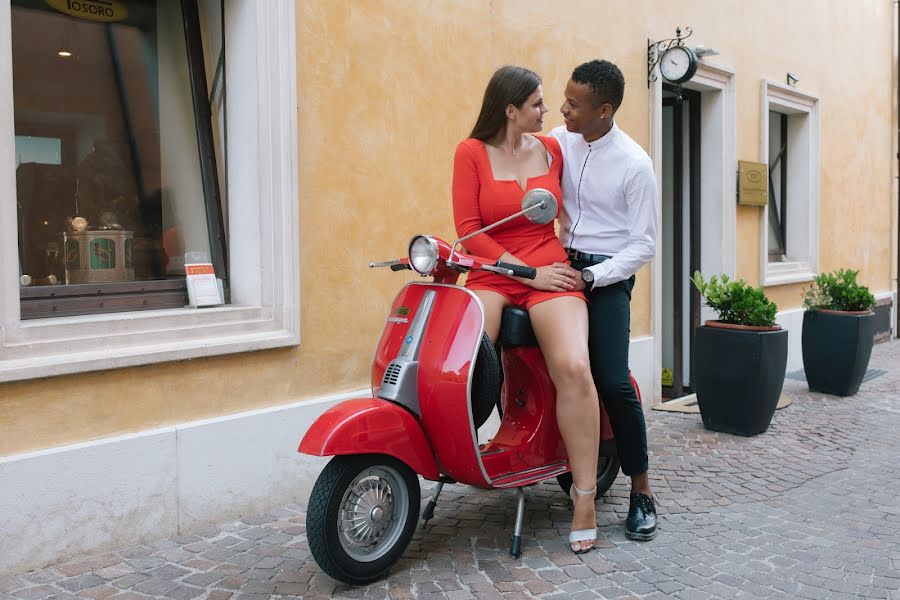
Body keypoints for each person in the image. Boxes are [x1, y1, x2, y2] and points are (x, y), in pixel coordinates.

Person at [452, 65, 600, 553]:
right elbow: (471, 232)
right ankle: (464, 453)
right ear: (510, 109)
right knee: (464, 359)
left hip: (550, 271)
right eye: (537, 103)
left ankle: (584, 496)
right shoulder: (471, 153)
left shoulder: (552, 148)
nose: (547, 110)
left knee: (574, 367)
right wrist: (524, 272)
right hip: (497, 271)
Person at [551, 59, 659, 541]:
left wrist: (593, 277)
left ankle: (641, 490)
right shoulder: (559, 140)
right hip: (556, 267)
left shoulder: (635, 164)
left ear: (605, 109)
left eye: (574, 104)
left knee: (614, 382)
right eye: (564, 100)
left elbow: (643, 245)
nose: (564, 110)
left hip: (606, 277)